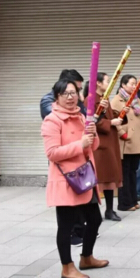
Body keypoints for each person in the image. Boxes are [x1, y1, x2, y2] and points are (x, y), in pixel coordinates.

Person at [41, 78, 108, 278]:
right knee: (66, 226)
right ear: (57, 97)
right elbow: (52, 153)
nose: (70, 98)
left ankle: (86, 257)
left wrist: (92, 135)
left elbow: (92, 146)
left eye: (73, 93)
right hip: (66, 180)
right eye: (65, 94)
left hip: (85, 177)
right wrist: (80, 144)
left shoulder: (81, 116)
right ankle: (66, 267)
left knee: (95, 219)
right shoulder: (52, 120)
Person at [40, 69, 87, 247]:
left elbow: (86, 122)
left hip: (80, 163)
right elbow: (54, 146)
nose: (73, 96)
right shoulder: (50, 104)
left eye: (76, 91)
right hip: (64, 163)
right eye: (72, 90)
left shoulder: (78, 108)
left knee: (86, 208)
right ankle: (71, 239)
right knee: (66, 210)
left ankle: (81, 234)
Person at [83, 74, 126, 222]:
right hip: (100, 144)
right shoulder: (90, 100)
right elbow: (92, 121)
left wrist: (121, 114)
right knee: (99, 178)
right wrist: (110, 123)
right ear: (98, 83)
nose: (109, 83)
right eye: (107, 81)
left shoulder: (104, 99)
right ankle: (93, 211)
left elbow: (109, 116)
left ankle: (109, 209)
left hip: (110, 142)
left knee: (110, 178)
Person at [111, 75, 140, 212]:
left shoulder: (137, 99)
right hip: (126, 141)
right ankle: (124, 203)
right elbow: (113, 120)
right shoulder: (117, 100)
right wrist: (122, 133)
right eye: (132, 84)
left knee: (133, 171)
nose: (134, 86)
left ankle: (133, 199)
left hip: (137, 139)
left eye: (135, 83)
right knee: (125, 172)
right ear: (123, 85)